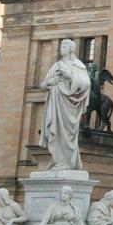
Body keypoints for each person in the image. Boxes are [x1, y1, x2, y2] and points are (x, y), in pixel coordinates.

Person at [39, 38, 92, 171]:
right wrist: (49, 83)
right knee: (55, 130)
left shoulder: (77, 65)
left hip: (69, 104)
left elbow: (86, 84)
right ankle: (58, 161)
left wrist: (70, 76)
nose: (61, 49)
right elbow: (43, 84)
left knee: (68, 133)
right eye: (61, 47)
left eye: (64, 47)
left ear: (71, 49)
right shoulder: (56, 65)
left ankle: (67, 162)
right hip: (55, 100)